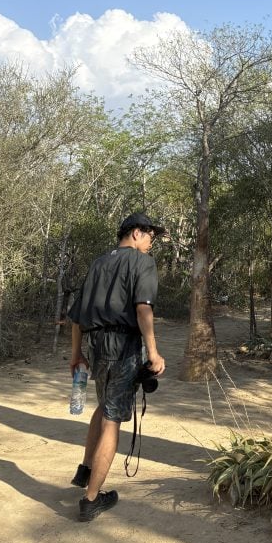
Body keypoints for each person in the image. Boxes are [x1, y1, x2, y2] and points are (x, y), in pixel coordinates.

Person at [68, 212, 166, 521]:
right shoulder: (141, 263)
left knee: (103, 406)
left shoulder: (99, 263)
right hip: (123, 347)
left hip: (96, 347)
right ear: (137, 233)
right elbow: (142, 309)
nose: (152, 242)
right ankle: (91, 499)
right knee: (112, 418)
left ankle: (86, 469)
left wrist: (76, 355)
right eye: (151, 236)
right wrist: (153, 353)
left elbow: (77, 317)